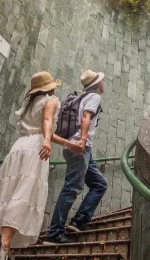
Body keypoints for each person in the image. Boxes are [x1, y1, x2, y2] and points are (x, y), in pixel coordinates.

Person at [0, 71, 82, 260]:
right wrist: (47, 142)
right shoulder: (51, 100)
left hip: (19, 147)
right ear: (50, 87)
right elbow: (47, 123)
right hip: (35, 150)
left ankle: (3, 250)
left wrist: (66, 143)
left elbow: (43, 129)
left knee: (10, 192)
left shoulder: (30, 104)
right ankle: (3, 242)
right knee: (25, 193)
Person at [44, 70, 108, 245]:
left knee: (99, 184)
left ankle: (79, 221)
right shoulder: (94, 97)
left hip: (81, 150)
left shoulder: (83, 96)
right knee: (71, 188)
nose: (104, 83)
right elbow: (86, 117)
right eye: (101, 81)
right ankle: (54, 233)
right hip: (80, 149)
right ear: (96, 84)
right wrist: (82, 140)